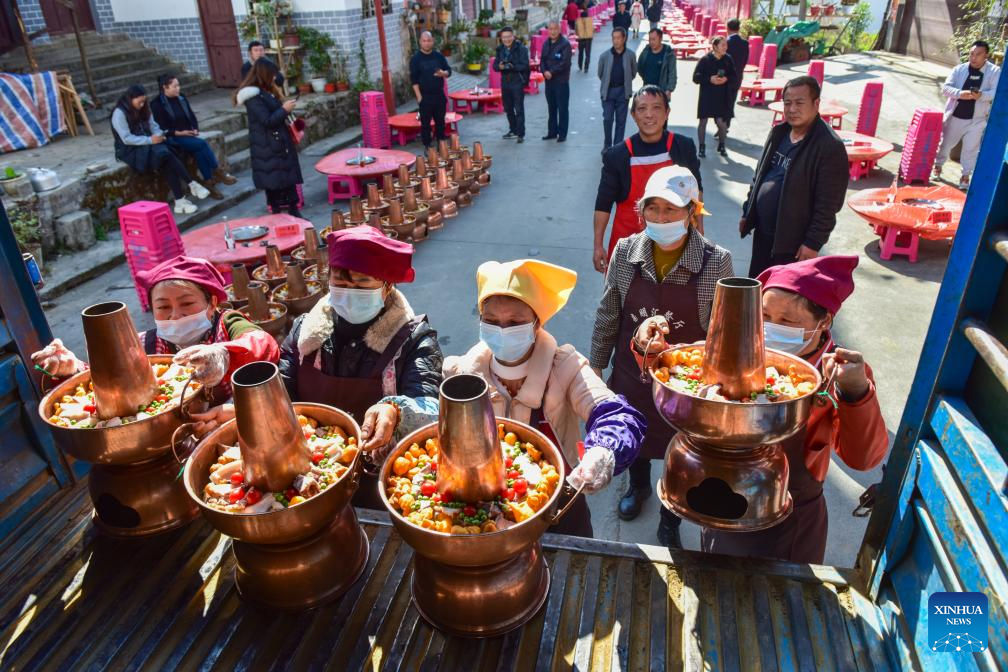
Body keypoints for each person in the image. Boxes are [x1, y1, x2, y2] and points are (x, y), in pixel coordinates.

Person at [697, 255, 888, 563]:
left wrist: (856, 392)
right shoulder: (739, 346)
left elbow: (864, 458)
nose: (770, 328)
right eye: (764, 315)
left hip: (787, 520)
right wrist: (647, 348)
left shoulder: (838, 372)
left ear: (823, 321)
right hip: (719, 499)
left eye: (787, 322)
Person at [436, 259, 647, 537]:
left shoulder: (566, 368)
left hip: (558, 508)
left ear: (537, 323)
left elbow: (617, 415)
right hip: (483, 519)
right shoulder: (461, 374)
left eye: (515, 322)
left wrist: (603, 450)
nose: (502, 330)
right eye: (491, 321)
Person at [591, 165, 734, 551]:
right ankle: (638, 487)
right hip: (630, 373)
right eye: (652, 209)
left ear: (692, 212)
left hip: (683, 384)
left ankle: (671, 518)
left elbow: (723, 333)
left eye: (671, 210)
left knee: (680, 450)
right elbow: (609, 312)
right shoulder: (625, 251)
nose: (661, 218)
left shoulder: (716, 261)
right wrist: (595, 364)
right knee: (633, 435)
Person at [278, 225, 444, 508]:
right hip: (308, 476)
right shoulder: (305, 332)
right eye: (340, 282)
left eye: (361, 282)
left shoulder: (415, 339)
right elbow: (280, 394)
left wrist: (395, 409)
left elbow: (432, 408)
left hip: (384, 480)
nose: (348, 291)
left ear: (387, 286)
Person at [31, 255, 280, 434]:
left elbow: (263, 343)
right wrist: (71, 368)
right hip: (170, 435)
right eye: (163, 307)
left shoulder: (227, 323)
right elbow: (110, 382)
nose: (175, 315)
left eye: (186, 304)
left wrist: (224, 354)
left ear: (212, 303)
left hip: (236, 424)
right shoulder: (145, 345)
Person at [740, 75, 849, 277]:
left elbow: (829, 204)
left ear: (816, 103)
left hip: (793, 245)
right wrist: (748, 210)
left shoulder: (828, 146)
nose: (792, 109)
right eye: (787, 103)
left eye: (799, 103)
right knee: (757, 288)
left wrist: (812, 242)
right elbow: (760, 174)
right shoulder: (779, 133)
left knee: (781, 299)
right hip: (764, 234)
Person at [593, 86, 702, 272]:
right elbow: (603, 203)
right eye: (642, 109)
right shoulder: (617, 155)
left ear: (667, 112)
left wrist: (699, 234)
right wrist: (598, 245)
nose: (649, 115)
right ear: (633, 115)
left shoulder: (683, 147)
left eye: (656, 108)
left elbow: (696, 193)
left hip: (675, 241)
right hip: (628, 243)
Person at [110, 84, 210, 215]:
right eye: (139, 102)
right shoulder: (119, 113)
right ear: (130, 99)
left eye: (143, 102)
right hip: (130, 149)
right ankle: (190, 185)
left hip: (148, 142)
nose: (141, 105)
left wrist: (158, 135)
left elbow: (154, 126)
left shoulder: (144, 108)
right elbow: (126, 138)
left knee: (168, 154)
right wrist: (150, 140)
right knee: (165, 155)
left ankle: (180, 201)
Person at [150, 73, 237, 200]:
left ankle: (209, 182)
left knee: (199, 150)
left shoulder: (181, 98)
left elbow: (191, 116)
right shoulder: (157, 104)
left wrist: (195, 129)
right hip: (172, 137)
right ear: (165, 87)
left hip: (188, 135)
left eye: (178, 85)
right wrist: (180, 133)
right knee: (201, 144)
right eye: (174, 86)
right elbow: (161, 128)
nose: (178, 89)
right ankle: (218, 172)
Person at [235, 61, 304, 218]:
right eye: (272, 74)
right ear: (264, 74)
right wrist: (284, 109)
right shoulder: (252, 96)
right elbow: (267, 121)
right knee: (274, 184)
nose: (274, 77)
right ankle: (278, 217)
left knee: (288, 180)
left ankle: (294, 213)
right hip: (266, 145)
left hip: (278, 143)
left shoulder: (266, 91)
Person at [934, 40, 1002, 190]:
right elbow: (945, 89)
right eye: (972, 54)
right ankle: (938, 166)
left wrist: (981, 95)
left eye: (978, 54)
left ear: (986, 56)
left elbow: (996, 93)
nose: (974, 57)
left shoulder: (994, 71)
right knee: (945, 145)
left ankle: (965, 176)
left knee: (971, 149)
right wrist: (960, 94)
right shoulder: (959, 69)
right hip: (956, 116)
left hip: (978, 119)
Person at [692, 36, 737, 158]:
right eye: (722, 45)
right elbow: (696, 77)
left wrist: (726, 79)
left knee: (721, 123)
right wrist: (709, 79)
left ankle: (722, 145)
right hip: (707, 95)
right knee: (703, 122)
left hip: (722, 96)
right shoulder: (705, 60)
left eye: (726, 45)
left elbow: (734, 75)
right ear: (715, 46)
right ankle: (701, 147)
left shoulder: (728, 59)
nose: (725, 47)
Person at [410, 31, 453, 149]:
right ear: (420, 42)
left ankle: (441, 144)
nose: (427, 43)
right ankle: (427, 146)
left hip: (439, 94)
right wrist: (419, 98)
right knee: (425, 124)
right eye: (424, 41)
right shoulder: (415, 59)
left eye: (429, 40)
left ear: (432, 41)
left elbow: (449, 70)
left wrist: (443, 73)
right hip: (425, 96)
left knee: (440, 122)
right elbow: (414, 80)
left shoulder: (439, 56)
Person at [597, 27, 637, 150]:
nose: (616, 41)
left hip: (622, 92)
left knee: (621, 121)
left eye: (618, 38)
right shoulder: (605, 56)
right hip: (608, 92)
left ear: (624, 38)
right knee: (608, 119)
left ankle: (618, 148)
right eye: (614, 38)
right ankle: (607, 145)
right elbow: (600, 74)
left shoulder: (630, 55)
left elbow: (633, 73)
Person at [495, 26, 530, 143]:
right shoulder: (500, 49)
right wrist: (499, 67)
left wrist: (511, 66)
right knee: (508, 108)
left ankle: (520, 134)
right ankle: (513, 130)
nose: (507, 39)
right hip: (505, 82)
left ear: (513, 36)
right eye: (504, 37)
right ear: (501, 38)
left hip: (517, 81)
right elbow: (495, 66)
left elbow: (524, 65)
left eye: (509, 37)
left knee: (519, 108)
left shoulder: (521, 48)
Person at [541, 21, 573, 142]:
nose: (553, 31)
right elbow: (542, 60)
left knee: (562, 108)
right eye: (550, 29)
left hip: (561, 81)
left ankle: (562, 134)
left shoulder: (565, 44)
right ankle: (552, 132)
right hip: (549, 82)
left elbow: (565, 63)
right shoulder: (546, 43)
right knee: (551, 108)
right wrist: (544, 72)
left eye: (555, 29)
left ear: (559, 30)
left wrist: (551, 72)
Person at [637, 28, 677, 99]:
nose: (651, 42)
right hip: (646, 91)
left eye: (654, 39)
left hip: (662, 92)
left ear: (660, 39)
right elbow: (640, 67)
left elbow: (672, 73)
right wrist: (645, 77)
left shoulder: (668, 54)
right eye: (650, 39)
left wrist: (669, 89)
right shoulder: (646, 51)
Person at [724, 18, 748, 128]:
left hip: (724, 77)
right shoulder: (744, 43)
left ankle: (722, 125)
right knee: (731, 100)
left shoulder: (725, 43)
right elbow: (745, 61)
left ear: (727, 28)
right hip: (738, 76)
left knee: (722, 101)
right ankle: (726, 124)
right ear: (738, 29)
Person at [575, 0, 596, 73]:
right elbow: (593, 30)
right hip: (589, 39)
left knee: (580, 53)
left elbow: (576, 32)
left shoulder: (578, 21)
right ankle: (586, 67)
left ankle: (580, 66)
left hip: (581, 39)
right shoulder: (590, 21)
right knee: (588, 54)